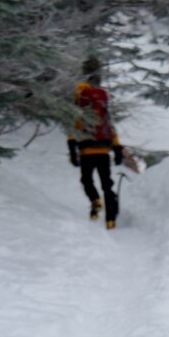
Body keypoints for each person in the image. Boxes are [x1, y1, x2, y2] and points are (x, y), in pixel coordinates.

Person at [66, 58, 121, 228]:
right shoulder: (102, 101)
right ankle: (110, 219)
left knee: (87, 180)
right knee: (107, 184)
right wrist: (117, 148)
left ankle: (95, 200)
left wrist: (72, 148)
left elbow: (74, 128)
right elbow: (109, 125)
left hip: (86, 150)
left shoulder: (81, 102)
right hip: (103, 149)